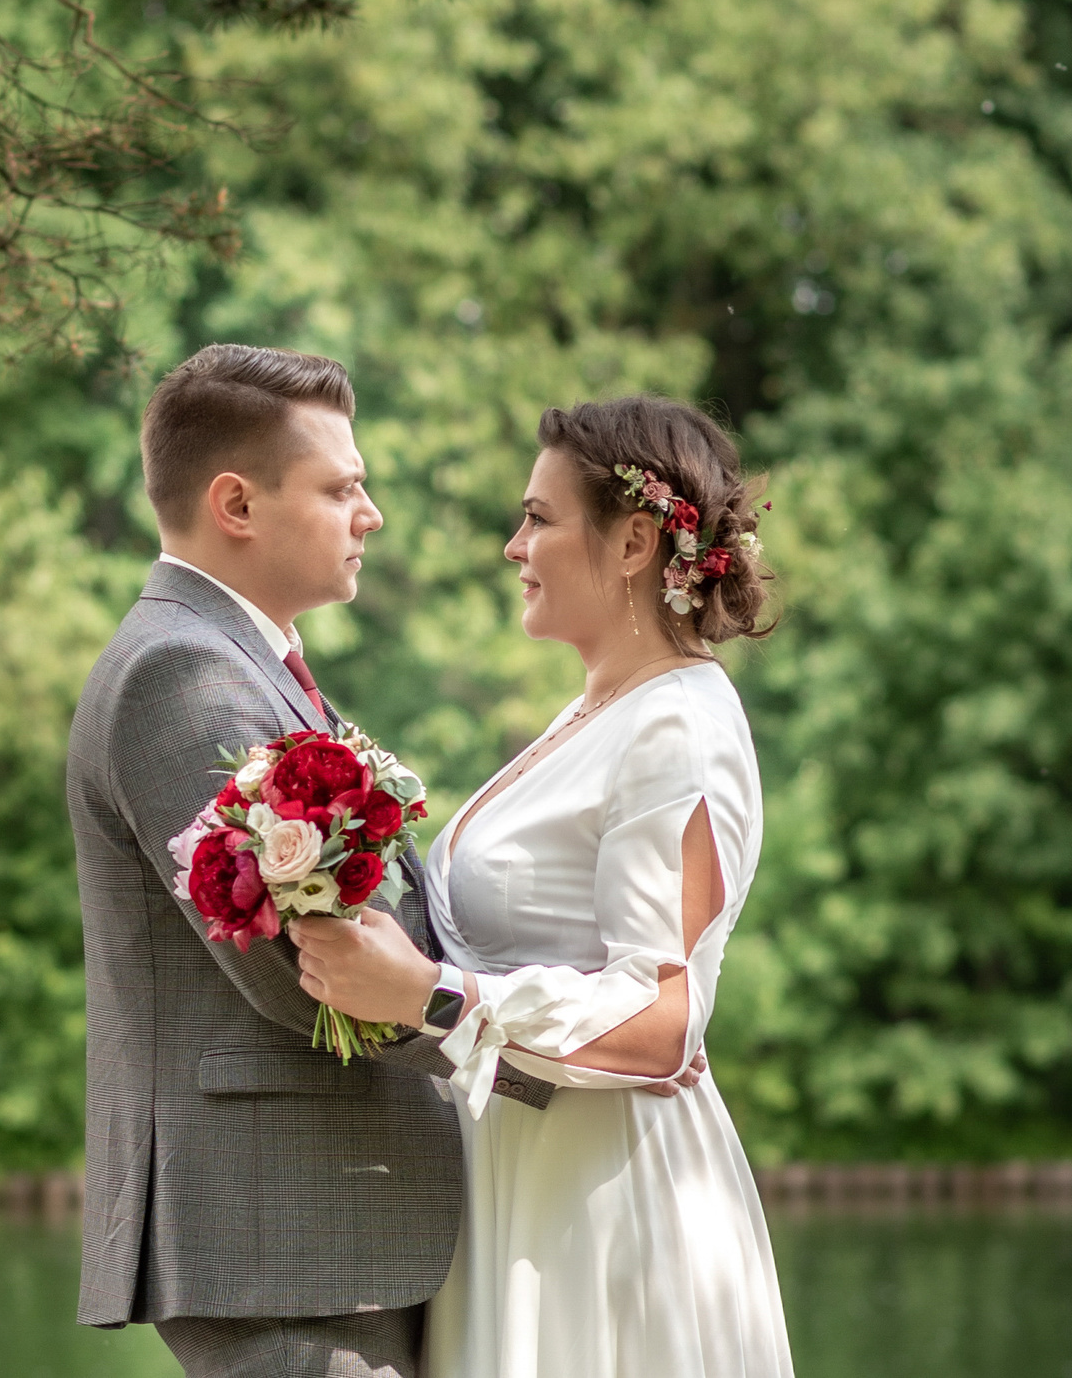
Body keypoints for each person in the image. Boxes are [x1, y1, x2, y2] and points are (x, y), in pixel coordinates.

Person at [67, 343, 564, 1378]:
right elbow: (310, 971)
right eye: (342, 486)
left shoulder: (244, 660)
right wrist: (539, 1066)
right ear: (237, 503)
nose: (369, 512)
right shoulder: (185, 673)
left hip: (321, 1232)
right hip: (286, 1235)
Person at [293, 394, 795, 1378]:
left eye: (539, 516)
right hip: (523, 1181)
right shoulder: (596, 709)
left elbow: (662, 1021)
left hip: (604, 1206)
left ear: (633, 543)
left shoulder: (677, 727)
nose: (513, 544)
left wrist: (429, 996)